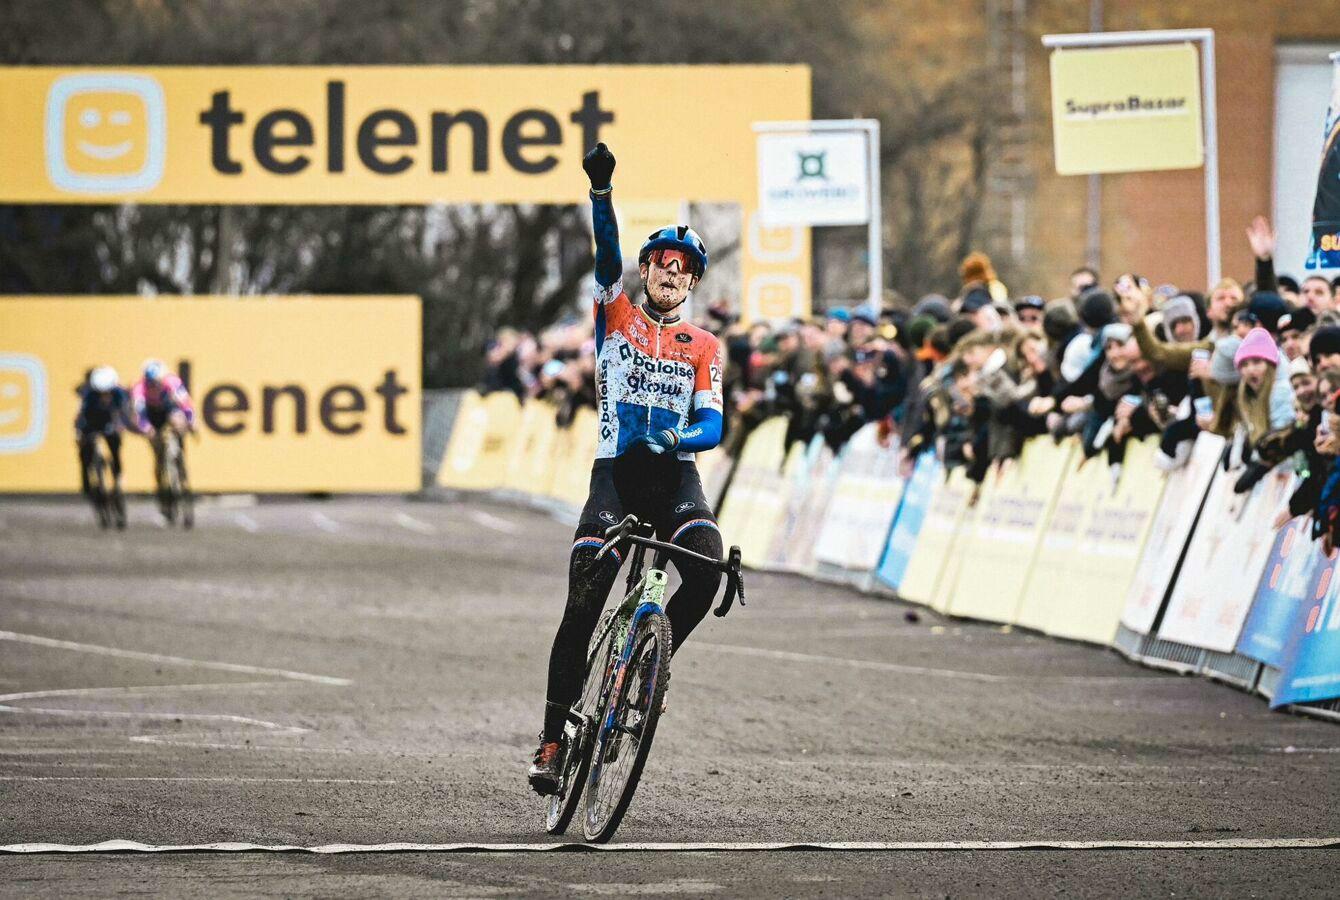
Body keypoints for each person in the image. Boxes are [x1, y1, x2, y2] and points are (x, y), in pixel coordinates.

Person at [529, 143, 726, 795]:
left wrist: (677, 433)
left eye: (684, 268)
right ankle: (554, 740)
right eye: (663, 264)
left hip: (675, 481)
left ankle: (652, 666)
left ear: (694, 282)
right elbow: (604, 258)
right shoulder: (614, 317)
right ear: (645, 270)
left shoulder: (704, 346)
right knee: (583, 603)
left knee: (708, 563)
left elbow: (715, 425)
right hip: (615, 478)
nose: (672, 273)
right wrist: (602, 193)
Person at [131, 359, 196, 499]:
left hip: (168, 410)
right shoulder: (139, 389)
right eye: (151, 383)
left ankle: (180, 461)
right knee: (158, 451)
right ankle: (161, 481)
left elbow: (186, 404)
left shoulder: (172, 382)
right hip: (152, 414)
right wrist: (147, 428)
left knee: (178, 421)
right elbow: (140, 415)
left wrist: (190, 422)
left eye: (158, 382)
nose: (155, 386)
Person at [75, 366, 132, 520]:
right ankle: (87, 480)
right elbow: (81, 417)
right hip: (91, 423)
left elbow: (125, 414)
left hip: (109, 423)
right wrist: (81, 433)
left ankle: (117, 478)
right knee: (84, 449)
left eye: (107, 392)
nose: (105, 396)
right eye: (101, 393)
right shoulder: (89, 396)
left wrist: (121, 426)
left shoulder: (119, 393)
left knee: (115, 447)